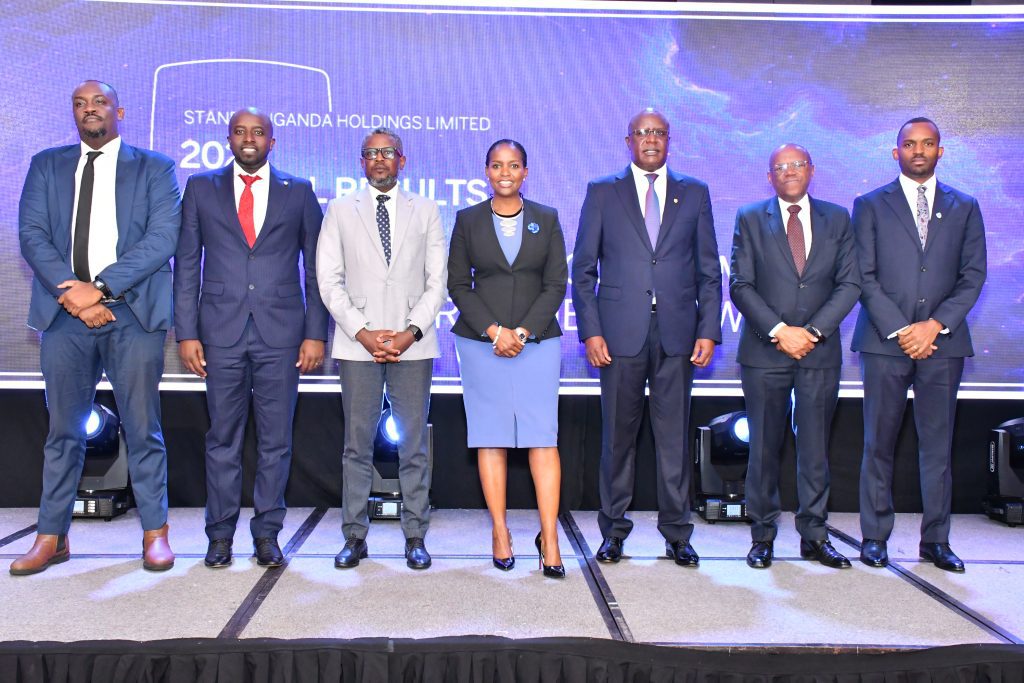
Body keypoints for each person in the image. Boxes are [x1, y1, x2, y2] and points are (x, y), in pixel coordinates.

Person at [12, 80, 180, 575]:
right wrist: (75, 295)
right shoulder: (47, 164)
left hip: (133, 315)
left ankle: (155, 533)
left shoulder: (155, 167)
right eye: (80, 103)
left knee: (143, 428)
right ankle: (52, 536)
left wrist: (100, 289)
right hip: (64, 315)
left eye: (100, 102)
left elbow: (162, 238)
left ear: (118, 112)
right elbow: (32, 235)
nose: (90, 109)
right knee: (63, 432)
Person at [173, 108, 328, 569]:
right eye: (240, 131)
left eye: (258, 132)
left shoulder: (298, 191)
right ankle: (220, 535)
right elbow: (187, 265)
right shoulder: (201, 187)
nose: (249, 138)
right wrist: (186, 332)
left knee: (276, 441)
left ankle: (267, 534)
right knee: (222, 437)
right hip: (219, 333)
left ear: (271, 142)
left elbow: (317, 270)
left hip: (282, 335)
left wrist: (315, 333)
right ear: (228, 139)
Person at [571, 108, 722, 566]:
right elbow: (583, 270)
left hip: (678, 333)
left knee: (673, 439)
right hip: (618, 334)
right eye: (642, 133)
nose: (650, 139)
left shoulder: (694, 192)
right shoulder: (602, 191)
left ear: (669, 140)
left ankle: (677, 533)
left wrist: (709, 330)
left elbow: (709, 270)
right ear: (628, 141)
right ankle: (613, 531)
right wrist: (591, 331)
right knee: (618, 438)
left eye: (658, 133)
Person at [852, 117, 986, 573]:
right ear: (896, 152)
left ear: (940, 151)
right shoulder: (870, 204)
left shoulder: (965, 206)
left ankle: (936, 541)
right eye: (910, 144)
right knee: (878, 444)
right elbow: (862, 275)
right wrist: (902, 329)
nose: (919, 151)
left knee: (938, 447)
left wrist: (934, 326)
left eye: (928, 144)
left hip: (943, 345)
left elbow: (973, 275)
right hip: (884, 342)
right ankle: (874, 537)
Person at [317, 128, 447, 570]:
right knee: (357, 446)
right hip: (359, 344)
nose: (378, 159)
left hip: (414, 343)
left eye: (387, 153)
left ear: (402, 161)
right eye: (370, 153)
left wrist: (411, 331)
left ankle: (415, 535)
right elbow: (328, 281)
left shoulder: (426, 209)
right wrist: (362, 332)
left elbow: (437, 282)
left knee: (414, 445)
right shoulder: (339, 210)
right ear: (361, 162)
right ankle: (354, 536)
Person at [729, 143, 860, 570]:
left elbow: (850, 283)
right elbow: (740, 284)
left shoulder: (837, 218)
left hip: (820, 352)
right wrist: (781, 331)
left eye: (797, 164)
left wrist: (814, 332)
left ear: (811, 170)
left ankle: (814, 536)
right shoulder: (750, 217)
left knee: (815, 448)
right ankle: (762, 535)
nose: (789, 171)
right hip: (765, 350)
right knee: (763, 448)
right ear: (769, 177)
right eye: (780, 167)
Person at [448, 139, 569, 578]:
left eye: (513, 165)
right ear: (486, 171)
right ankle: (500, 532)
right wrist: (494, 331)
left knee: (543, 439)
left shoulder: (547, 218)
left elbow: (556, 284)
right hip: (481, 344)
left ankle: (550, 539)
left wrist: (521, 332)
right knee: (491, 437)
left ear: (525, 172)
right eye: (497, 165)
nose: (505, 172)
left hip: (538, 343)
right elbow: (458, 285)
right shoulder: (467, 220)